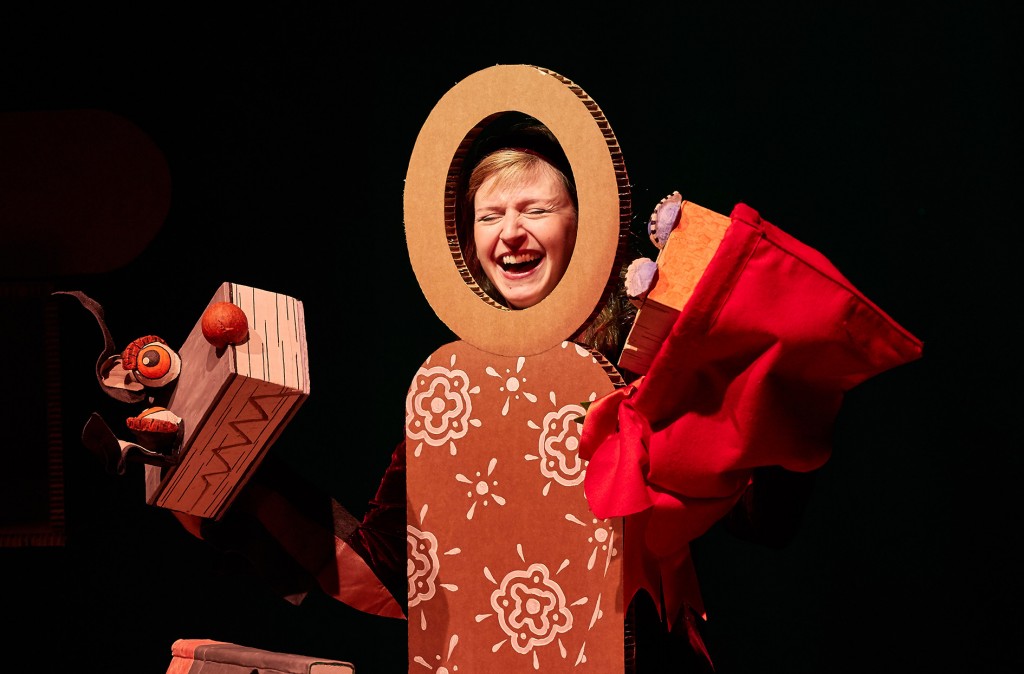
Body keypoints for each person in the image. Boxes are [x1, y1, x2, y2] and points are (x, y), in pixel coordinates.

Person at [173, 116, 828, 673]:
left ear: (584, 227)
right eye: (490, 215)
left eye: (535, 209)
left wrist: (790, 395)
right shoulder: (454, 393)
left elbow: (759, 517)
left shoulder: (641, 359)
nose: (510, 230)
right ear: (470, 244)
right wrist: (228, 480)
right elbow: (389, 577)